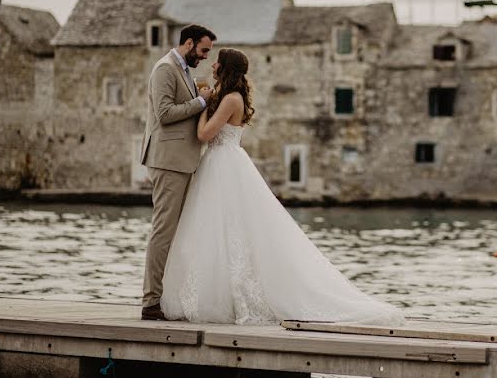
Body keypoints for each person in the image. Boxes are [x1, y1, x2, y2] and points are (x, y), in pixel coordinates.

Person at [160, 48, 403, 325]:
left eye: (218, 61)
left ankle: (233, 299)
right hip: (219, 164)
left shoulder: (230, 99)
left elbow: (204, 134)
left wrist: (203, 103)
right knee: (217, 232)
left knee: (231, 231)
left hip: (223, 164)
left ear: (226, 68)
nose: (212, 64)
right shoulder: (226, 96)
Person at [140, 24, 216, 321]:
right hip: (168, 161)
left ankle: (168, 298)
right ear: (188, 43)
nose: (206, 57)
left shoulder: (182, 68)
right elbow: (165, 113)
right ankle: (150, 303)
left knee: (176, 232)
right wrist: (201, 102)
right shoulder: (165, 69)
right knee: (163, 231)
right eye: (204, 50)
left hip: (181, 161)